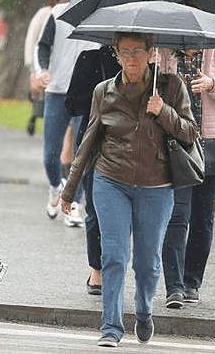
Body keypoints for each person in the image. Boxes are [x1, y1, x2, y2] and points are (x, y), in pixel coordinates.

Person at [60, 32, 197, 347]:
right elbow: (88, 142)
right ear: (117, 55)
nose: (131, 58)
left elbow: (190, 133)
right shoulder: (103, 92)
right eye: (125, 52)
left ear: (151, 53)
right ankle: (111, 327)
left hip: (157, 186)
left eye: (138, 51)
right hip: (111, 181)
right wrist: (69, 190)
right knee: (115, 256)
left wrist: (163, 111)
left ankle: (145, 311)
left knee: (147, 263)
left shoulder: (171, 87)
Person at [159, 46, 215, 308]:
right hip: (177, 146)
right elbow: (150, 96)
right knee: (177, 216)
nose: (192, 44)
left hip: (213, 145)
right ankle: (173, 286)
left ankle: (191, 281)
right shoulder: (163, 52)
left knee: (203, 219)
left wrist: (212, 84)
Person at [33, 0, 98, 224]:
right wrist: (42, 71)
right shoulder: (58, 13)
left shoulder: (100, 18)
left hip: (86, 95)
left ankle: (74, 204)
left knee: (83, 152)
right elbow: (42, 46)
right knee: (51, 152)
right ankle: (55, 186)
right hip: (57, 91)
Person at [65, 44, 121, 296]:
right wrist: (102, 96)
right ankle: (97, 269)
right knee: (96, 209)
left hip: (132, 144)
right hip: (94, 141)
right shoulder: (90, 59)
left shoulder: (146, 62)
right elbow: (72, 103)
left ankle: (117, 267)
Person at [24, 0, 61, 135]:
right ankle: (42, 126)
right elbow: (32, 39)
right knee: (42, 98)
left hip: (57, 65)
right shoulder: (44, 14)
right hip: (43, 63)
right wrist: (33, 66)